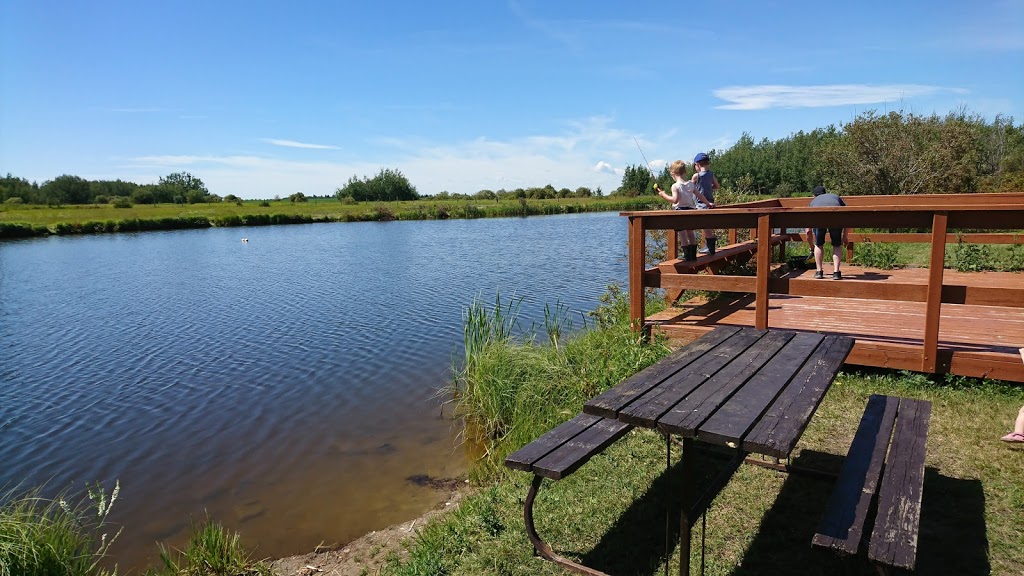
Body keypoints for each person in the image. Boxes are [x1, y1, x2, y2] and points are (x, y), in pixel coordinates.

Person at [655, 160, 714, 261]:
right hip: (691, 211)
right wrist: (708, 204)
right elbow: (700, 195)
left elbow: (675, 200)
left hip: (679, 212)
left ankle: (686, 255)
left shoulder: (675, 186)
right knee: (690, 233)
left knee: (682, 234)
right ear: (685, 172)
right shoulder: (691, 184)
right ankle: (693, 255)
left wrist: (663, 195)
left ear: (672, 174)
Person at [809, 185, 848, 279]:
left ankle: (819, 272)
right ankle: (836, 273)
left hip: (819, 219)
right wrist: (845, 236)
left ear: (814, 195)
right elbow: (847, 215)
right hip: (836, 217)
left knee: (818, 244)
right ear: (825, 193)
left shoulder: (813, 201)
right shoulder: (835, 197)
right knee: (837, 244)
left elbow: (807, 229)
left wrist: (810, 245)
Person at [692, 152, 720, 254]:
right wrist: (708, 187)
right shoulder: (711, 174)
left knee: (705, 225)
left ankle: (710, 248)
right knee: (707, 225)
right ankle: (709, 247)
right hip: (710, 202)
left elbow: (690, 188)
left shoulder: (696, 176)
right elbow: (717, 186)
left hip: (701, 204)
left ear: (697, 165)